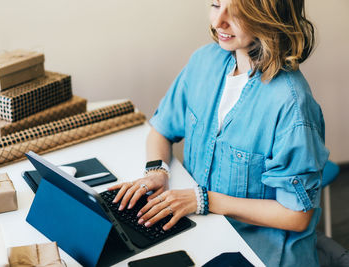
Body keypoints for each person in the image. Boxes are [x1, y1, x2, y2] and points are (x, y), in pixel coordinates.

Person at [109, 0, 329, 266]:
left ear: (269, 16)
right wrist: (157, 170)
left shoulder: (291, 103)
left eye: (236, 12)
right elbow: (161, 129)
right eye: (215, 4)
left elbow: (296, 216)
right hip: (202, 232)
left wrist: (205, 200)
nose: (218, 22)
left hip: (262, 254)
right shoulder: (204, 61)